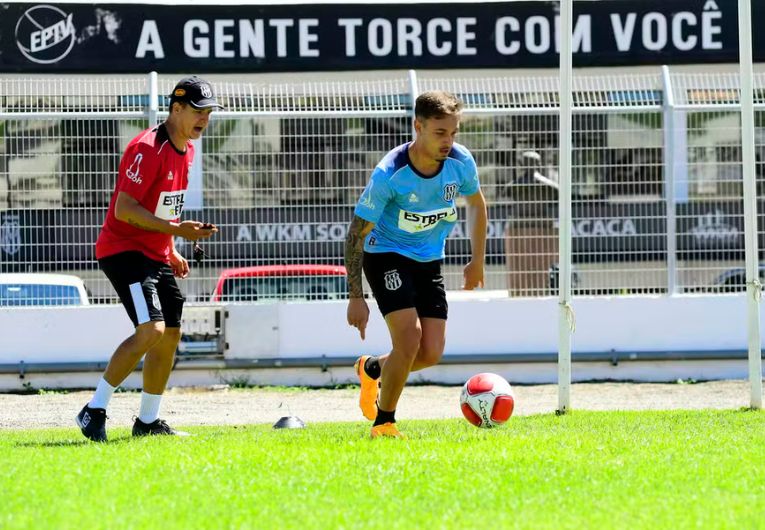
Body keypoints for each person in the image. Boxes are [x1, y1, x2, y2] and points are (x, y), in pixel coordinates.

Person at [76, 76, 222, 442]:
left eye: (209, 112)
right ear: (176, 109)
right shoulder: (146, 147)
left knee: (170, 335)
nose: (205, 118)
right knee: (151, 330)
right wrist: (178, 232)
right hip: (124, 250)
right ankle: (93, 409)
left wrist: (171, 247)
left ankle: (148, 422)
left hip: (154, 253)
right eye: (198, 111)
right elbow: (125, 209)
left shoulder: (186, 148)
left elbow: (164, 206)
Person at [345, 90, 487, 439]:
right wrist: (355, 295)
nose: (448, 141)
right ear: (418, 127)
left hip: (428, 260)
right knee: (409, 341)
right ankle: (385, 423)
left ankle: (373, 368)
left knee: (431, 352)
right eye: (440, 133)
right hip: (386, 255)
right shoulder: (389, 175)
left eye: (454, 132)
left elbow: (478, 205)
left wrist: (477, 260)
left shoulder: (460, 162)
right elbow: (355, 235)